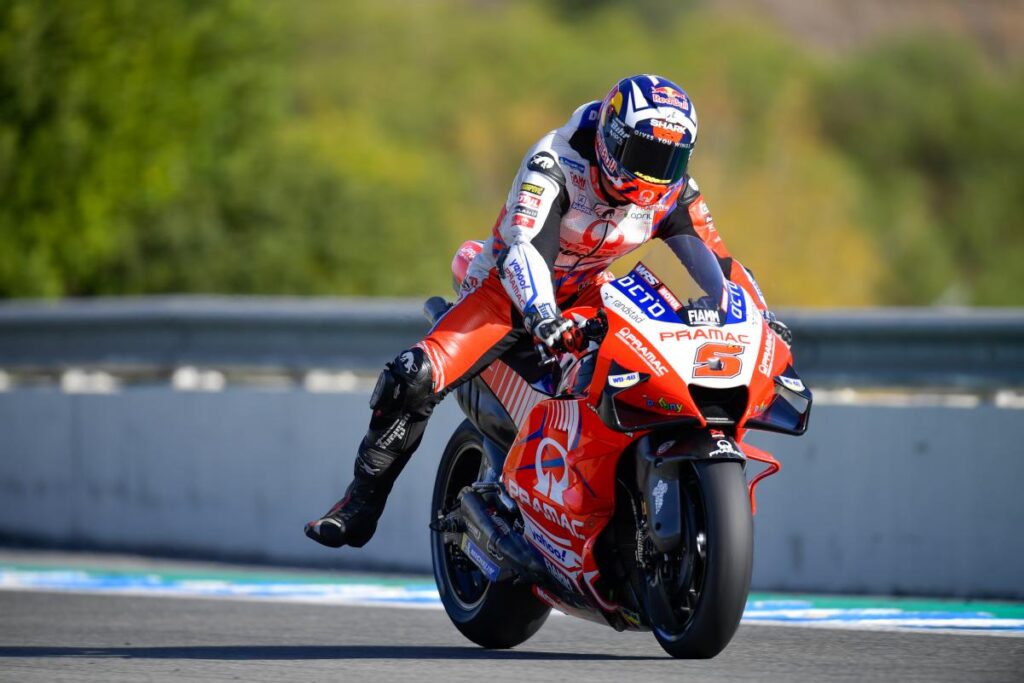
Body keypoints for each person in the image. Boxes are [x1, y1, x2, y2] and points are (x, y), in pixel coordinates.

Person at [304, 74, 791, 549]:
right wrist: (540, 314)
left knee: (655, 363)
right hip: (507, 295)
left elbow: (718, 260)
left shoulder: (673, 188)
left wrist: (755, 317)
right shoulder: (555, 162)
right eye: (646, 156)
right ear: (611, 140)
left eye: (671, 159)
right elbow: (525, 250)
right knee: (411, 376)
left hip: (592, 290)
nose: (655, 174)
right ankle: (359, 506)